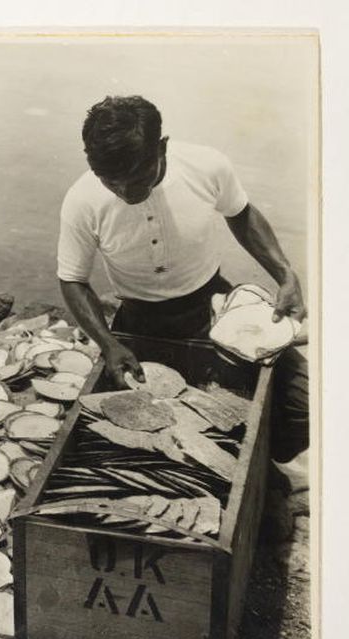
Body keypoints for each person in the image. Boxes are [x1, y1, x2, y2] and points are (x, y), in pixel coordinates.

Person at [57, 95, 309, 469]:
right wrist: (108, 344)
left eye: (139, 180)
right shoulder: (82, 200)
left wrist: (285, 273)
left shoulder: (206, 165)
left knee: (304, 406)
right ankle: (218, 469)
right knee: (139, 442)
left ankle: (255, 468)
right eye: (112, 182)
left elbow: (240, 214)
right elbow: (73, 280)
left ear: (162, 147)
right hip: (139, 322)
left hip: (215, 307)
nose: (126, 194)